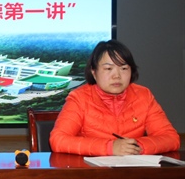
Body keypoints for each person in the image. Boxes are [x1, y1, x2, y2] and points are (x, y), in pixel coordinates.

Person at [50, 40, 179, 156]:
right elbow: (58, 140)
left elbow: (171, 138)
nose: (117, 75)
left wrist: (136, 147)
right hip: (92, 171)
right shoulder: (79, 98)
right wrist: (109, 147)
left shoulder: (143, 95)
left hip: (132, 170)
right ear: (94, 72)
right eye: (108, 68)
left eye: (124, 68)